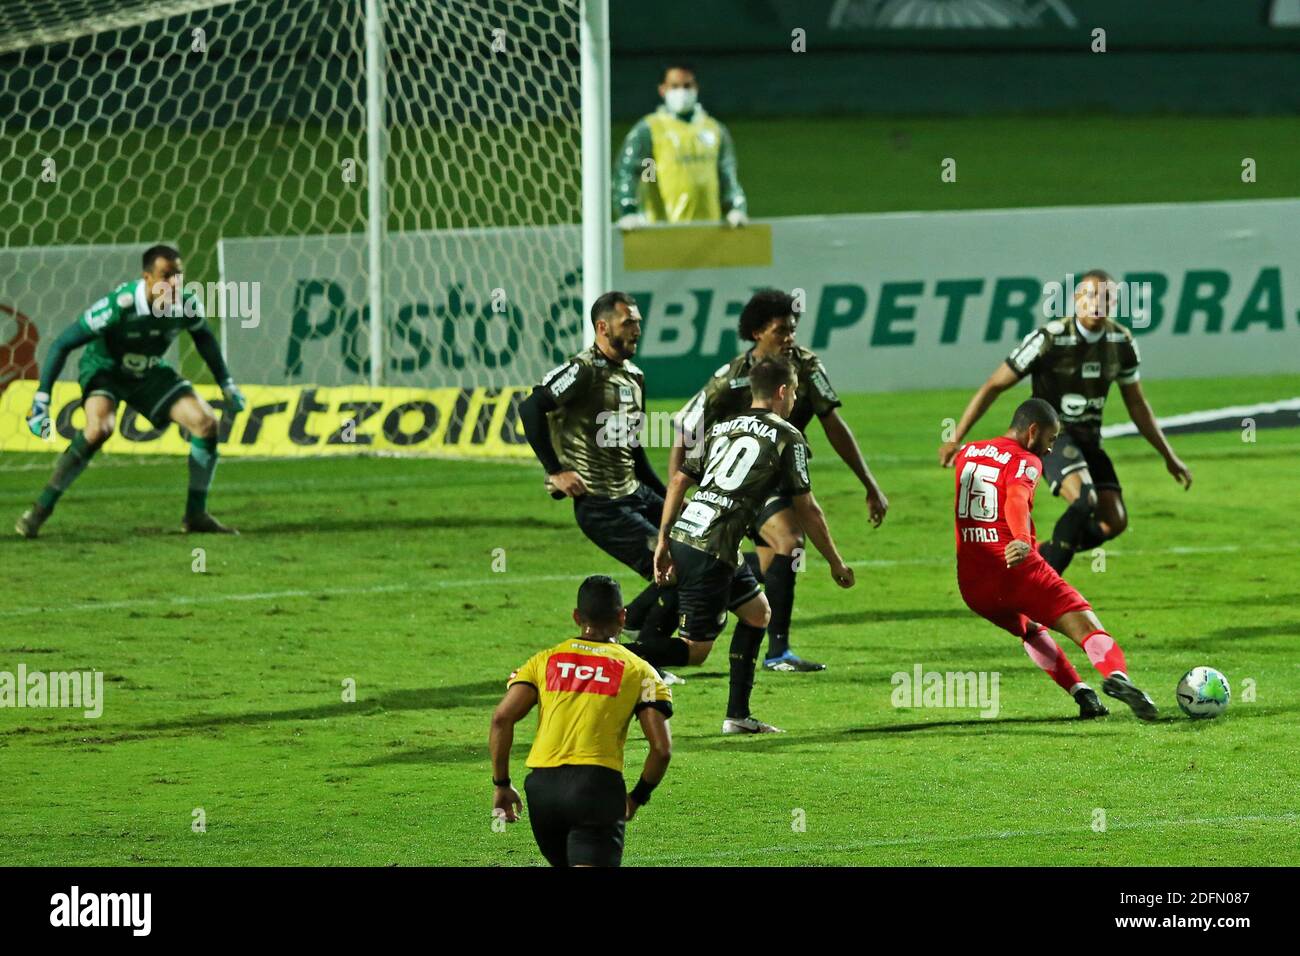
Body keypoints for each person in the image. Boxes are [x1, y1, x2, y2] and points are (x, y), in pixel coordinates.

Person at [669, 289, 888, 672]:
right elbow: (687, 425)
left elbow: (832, 422)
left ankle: (659, 611)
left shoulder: (806, 366)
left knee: (773, 561)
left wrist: (868, 483)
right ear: (757, 333)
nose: (790, 338)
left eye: (793, 329)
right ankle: (778, 652)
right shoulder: (732, 376)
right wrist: (677, 484)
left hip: (776, 481)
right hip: (733, 487)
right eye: (780, 330)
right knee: (790, 541)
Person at [647, 356, 855, 734]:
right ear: (782, 391)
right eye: (794, 391)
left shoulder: (723, 427)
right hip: (712, 547)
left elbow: (679, 481)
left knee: (758, 613)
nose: (795, 399)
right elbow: (808, 508)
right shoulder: (787, 436)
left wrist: (663, 539)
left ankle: (737, 717)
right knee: (695, 651)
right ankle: (611, 655)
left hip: (693, 535)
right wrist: (836, 562)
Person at [939, 270, 1192, 574]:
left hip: (1089, 440)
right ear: (1076, 300)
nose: (1097, 303)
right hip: (1052, 438)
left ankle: (1034, 557)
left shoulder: (1121, 341)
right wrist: (957, 435)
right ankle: (1040, 588)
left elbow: (1137, 405)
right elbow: (994, 384)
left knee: (1113, 521)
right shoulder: (1050, 338)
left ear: (1115, 303)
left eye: (1106, 297)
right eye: (1090, 296)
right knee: (1085, 500)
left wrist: (1169, 456)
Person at [17, 244, 245, 538]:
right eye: (166, 276)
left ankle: (196, 515)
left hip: (149, 371)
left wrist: (226, 383)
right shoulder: (119, 305)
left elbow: (203, 337)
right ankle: (40, 510)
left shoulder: (186, 303)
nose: (173, 283)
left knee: (206, 423)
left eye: (178, 276)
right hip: (105, 370)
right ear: (147, 277)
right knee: (99, 428)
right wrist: (41, 399)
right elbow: (63, 343)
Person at [954, 397, 1159, 721]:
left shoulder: (969, 452)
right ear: (1032, 431)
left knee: (1031, 630)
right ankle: (1117, 676)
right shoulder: (1025, 459)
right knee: (1086, 624)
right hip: (1016, 569)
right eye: (1050, 440)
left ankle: (1083, 694)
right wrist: (1022, 539)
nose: (1050, 450)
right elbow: (1017, 498)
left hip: (973, 584)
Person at [517, 292, 681, 664]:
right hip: (602, 506)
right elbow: (530, 408)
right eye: (629, 323)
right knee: (673, 570)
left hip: (635, 492)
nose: (637, 330)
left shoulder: (635, 377)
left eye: (638, 322)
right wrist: (555, 470)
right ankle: (639, 653)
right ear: (603, 327)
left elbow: (634, 451)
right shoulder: (583, 370)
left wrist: (669, 499)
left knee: (699, 552)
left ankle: (637, 637)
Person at [489, 574, 672, 867]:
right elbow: (661, 749)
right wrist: (637, 797)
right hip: (596, 787)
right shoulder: (640, 671)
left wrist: (501, 783)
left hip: (542, 790)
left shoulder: (543, 661)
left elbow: (501, 719)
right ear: (622, 616)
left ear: (577, 616)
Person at [613, 64, 748, 229]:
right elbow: (632, 172)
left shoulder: (714, 129)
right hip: (662, 231)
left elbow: (726, 173)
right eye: (675, 86)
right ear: (663, 90)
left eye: (687, 86)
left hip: (710, 229)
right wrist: (628, 209)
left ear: (696, 88)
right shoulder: (650, 129)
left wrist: (735, 206)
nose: (682, 92)